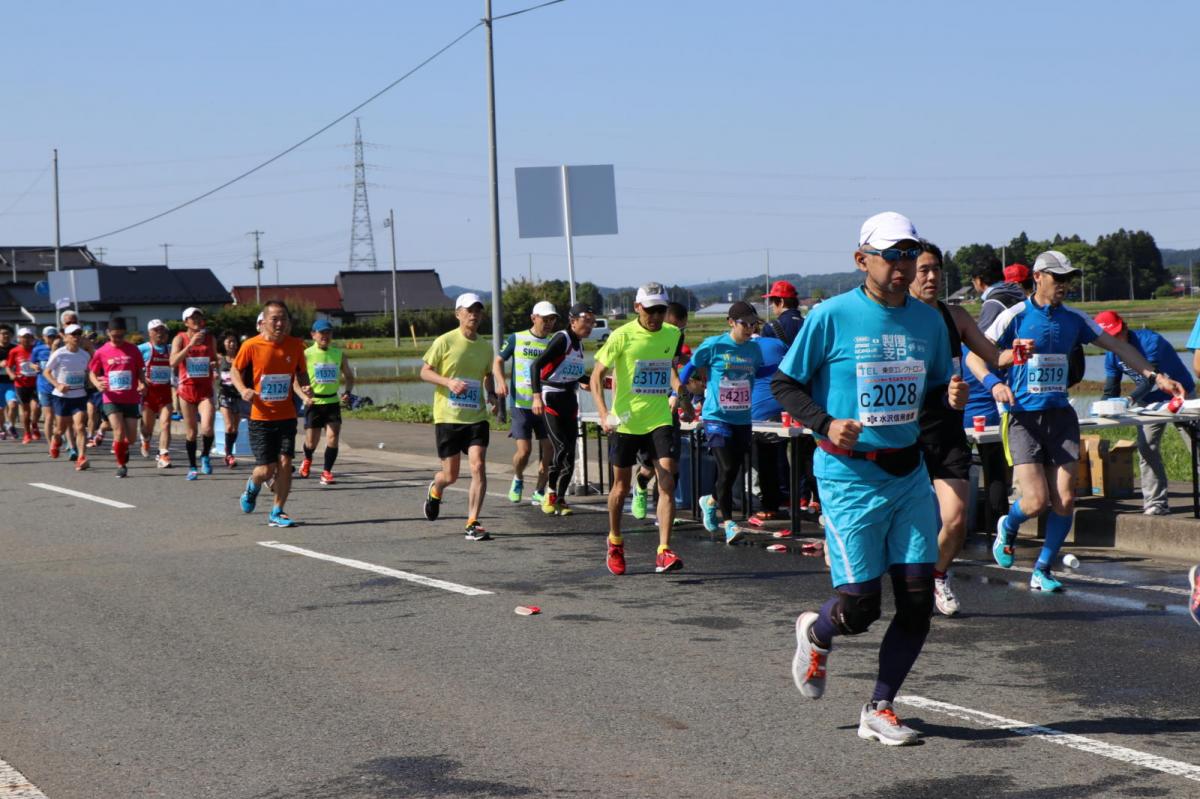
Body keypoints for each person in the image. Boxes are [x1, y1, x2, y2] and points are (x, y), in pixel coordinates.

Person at [774, 211, 966, 746]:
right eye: (891, 255)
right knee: (861, 607)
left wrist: (949, 397)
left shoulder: (929, 321)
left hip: (908, 473)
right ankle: (817, 633)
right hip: (848, 475)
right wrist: (826, 422)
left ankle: (880, 708)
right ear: (862, 260)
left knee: (917, 600)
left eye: (909, 255)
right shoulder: (831, 316)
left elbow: (932, 390)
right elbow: (784, 384)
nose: (902, 265)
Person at [970, 250, 1184, 592]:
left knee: (1066, 500)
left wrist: (1156, 377)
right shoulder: (1015, 315)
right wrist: (994, 383)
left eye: (1068, 279)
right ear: (1038, 277)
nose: (1064, 285)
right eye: (1058, 278)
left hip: (1060, 417)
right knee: (1035, 501)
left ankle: (1043, 569)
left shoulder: (1074, 318)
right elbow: (974, 356)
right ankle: (1008, 527)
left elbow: (1118, 347)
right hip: (1023, 417)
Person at [910, 243, 1013, 616]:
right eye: (923, 269)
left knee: (955, 519)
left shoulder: (955, 316)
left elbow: (994, 356)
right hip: (906, 432)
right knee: (909, 522)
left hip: (949, 430)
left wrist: (1017, 352)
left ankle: (937, 576)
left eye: (936, 269)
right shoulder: (896, 319)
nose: (932, 277)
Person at [590, 282, 693, 575]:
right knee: (620, 488)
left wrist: (683, 398)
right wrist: (604, 413)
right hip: (626, 421)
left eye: (661, 310)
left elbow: (669, 369)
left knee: (667, 480)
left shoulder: (672, 334)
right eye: (650, 310)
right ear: (638, 307)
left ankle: (663, 550)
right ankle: (615, 541)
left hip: (659, 418)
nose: (656, 316)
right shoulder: (621, 336)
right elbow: (597, 376)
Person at [682, 301, 766, 544]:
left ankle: (710, 501)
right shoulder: (714, 345)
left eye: (753, 324)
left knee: (732, 471)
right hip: (716, 417)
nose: (749, 328)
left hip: (742, 418)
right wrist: (679, 394)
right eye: (744, 324)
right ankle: (729, 523)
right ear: (731, 322)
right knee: (727, 468)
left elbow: (758, 372)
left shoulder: (754, 349)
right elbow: (690, 366)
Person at [1095, 309, 1195, 515]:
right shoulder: (1111, 355)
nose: (1115, 339)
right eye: (1109, 337)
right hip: (1150, 405)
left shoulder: (1150, 341)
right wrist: (1101, 408)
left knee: (1196, 446)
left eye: (1117, 334)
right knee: (1146, 449)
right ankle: (1156, 503)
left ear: (1125, 327)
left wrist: (1129, 400)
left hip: (1181, 397)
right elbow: (1111, 389)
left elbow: (1151, 379)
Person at [420, 293, 500, 540]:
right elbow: (424, 372)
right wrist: (448, 382)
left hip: (476, 417)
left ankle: (472, 521)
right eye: (469, 310)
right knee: (450, 475)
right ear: (458, 314)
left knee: (478, 465)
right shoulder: (445, 341)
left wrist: (491, 395)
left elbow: (487, 375)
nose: (474, 315)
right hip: (448, 416)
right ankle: (436, 489)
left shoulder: (485, 346)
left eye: (477, 310)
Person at [232, 300, 312, 527]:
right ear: (264, 321)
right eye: (274, 319)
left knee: (285, 463)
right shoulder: (251, 345)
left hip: (287, 415)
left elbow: (301, 373)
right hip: (261, 417)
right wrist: (243, 389)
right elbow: (235, 370)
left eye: (283, 319)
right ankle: (253, 485)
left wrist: (306, 387)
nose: (279, 323)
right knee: (266, 470)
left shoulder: (296, 345)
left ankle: (278, 511)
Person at [962, 259, 1025, 534]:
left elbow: (979, 354)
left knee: (962, 468)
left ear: (978, 281)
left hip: (974, 407)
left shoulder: (991, 306)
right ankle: (998, 528)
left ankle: (966, 527)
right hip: (1003, 402)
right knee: (996, 467)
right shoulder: (1022, 302)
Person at [530, 302, 595, 516]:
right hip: (550, 398)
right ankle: (549, 493)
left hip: (569, 399)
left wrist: (597, 381)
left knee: (570, 453)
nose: (590, 326)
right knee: (562, 447)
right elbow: (536, 366)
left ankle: (560, 499)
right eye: (586, 321)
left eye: (593, 322)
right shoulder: (562, 339)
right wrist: (536, 396)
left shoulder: (579, 344)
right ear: (573, 321)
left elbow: (577, 374)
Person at [631, 301, 690, 521]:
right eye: (675, 326)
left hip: (667, 407)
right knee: (649, 465)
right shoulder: (639, 336)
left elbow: (674, 366)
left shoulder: (676, 336)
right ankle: (640, 483)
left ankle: (663, 511)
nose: (678, 331)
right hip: (642, 407)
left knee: (670, 465)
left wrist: (679, 397)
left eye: (682, 328)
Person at [494, 301, 556, 506]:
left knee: (549, 449)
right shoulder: (517, 338)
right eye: (544, 319)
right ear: (533, 318)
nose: (548, 323)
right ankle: (518, 477)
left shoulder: (554, 342)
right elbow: (498, 361)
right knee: (524, 451)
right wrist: (501, 382)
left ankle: (539, 490)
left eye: (552, 319)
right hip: (521, 403)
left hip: (545, 403)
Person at [88, 317, 145, 478]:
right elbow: (92, 373)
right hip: (111, 397)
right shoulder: (101, 351)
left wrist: (142, 383)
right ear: (108, 333)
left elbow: (140, 371)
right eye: (114, 336)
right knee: (118, 432)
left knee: (131, 438)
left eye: (121, 335)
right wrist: (97, 384)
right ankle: (121, 465)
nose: (118, 339)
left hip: (131, 398)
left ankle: (122, 447)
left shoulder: (133, 349)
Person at [300, 319, 355, 485]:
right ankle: (307, 458)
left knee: (333, 436)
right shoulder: (306, 354)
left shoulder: (338, 354)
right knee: (311, 442)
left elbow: (349, 376)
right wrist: (303, 392)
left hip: (332, 402)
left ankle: (326, 472)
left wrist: (347, 392)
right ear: (313, 335)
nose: (325, 336)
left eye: (328, 332)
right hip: (314, 402)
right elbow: (297, 376)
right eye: (322, 333)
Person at [170, 306, 219, 480]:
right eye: (193, 318)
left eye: (199, 317)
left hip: (205, 390)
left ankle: (205, 455)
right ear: (186, 322)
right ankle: (192, 467)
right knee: (191, 432)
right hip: (186, 390)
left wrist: (214, 365)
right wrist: (190, 345)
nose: (197, 320)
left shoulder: (210, 338)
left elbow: (214, 360)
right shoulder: (180, 338)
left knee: (207, 428)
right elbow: (173, 361)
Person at [749, 327, 790, 523]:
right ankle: (776, 502)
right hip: (779, 407)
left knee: (752, 460)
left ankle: (761, 505)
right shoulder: (779, 344)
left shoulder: (742, 346)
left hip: (748, 411)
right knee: (774, 458)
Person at [43, 323, 91, 468]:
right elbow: (46, 372)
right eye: (73, 334)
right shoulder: (59, 353)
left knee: (80, 426)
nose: (76, 337)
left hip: (79, 395)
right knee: (60, 429)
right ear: (66, 337)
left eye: (78, 334)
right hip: (61, 397)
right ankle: (56, 440)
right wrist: (57, 385)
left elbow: (89, 373)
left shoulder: (85, 355)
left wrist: (93, 382)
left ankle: (81, 457)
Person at [139, 320, 175, 467]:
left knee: (165, 424)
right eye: (156, 330)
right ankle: (145, 439)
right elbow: (131, 366)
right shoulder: (143, 349)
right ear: (150, 333)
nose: (160, 333)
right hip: (149, 394)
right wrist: (140, 381)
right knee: (147, 428)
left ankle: (163, 454)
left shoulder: (171, 349)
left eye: (162, 330)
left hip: (165, 393)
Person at [216, 330, 248, 468]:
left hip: (238, 395)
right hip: (224, 394)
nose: (232, 344)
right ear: (223, 343)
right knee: (229, 426)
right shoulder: (219, 358)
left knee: (234, 427)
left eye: (234, 341)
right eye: (229, 341)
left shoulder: (242, 358)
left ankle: (228, 449)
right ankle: (229, 454)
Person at [5, 327, 41, 443]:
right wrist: (12, 374)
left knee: (36, 408)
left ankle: (34, 424)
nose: (26, 339)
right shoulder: (14, 351)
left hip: (36, 383)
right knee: (26, 411)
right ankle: (27, 433)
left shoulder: (36, 350)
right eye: (24, 337)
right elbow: (8, 367)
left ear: (32, 338)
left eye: (29, 337)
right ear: (19, 338)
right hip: (21, 384)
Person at [33, 326, 57, 442]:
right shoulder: (38, 349)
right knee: (49, 416)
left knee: (60, 417)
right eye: (49, 337)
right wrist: (34, 366)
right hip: (44, 386)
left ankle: (62, 438)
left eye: (54, 336)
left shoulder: (61, 350)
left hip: (58, 387)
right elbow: (31, 363)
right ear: (44, 337)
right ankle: (50, 443)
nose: (51, 339)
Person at [761, 279, 804, 345]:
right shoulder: (807, 323)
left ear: (781, 302)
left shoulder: (770, 328)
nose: (772, 305)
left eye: (772, 302)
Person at [0, 324, 16, 439]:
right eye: (2, 333)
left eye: (7, 334)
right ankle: (1, 430)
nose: (5, 336)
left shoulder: (15, 349)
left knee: (13, 405)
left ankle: (9, 425)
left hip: (11, 383)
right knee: (0, 409)